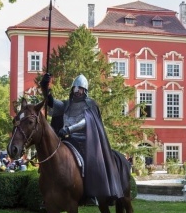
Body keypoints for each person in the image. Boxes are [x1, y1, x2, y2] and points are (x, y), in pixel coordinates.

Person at [40, 73, 124, 201]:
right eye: (76, 88)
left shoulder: (90, 104)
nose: (78, 91)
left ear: (85, 91)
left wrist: (69, 129)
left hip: (86, 141)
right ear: (72, 89)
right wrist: (45, 88)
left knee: (91, 162)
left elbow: (86, 121)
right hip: (68, 139)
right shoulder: (66, 104)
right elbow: (51, 102)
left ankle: (93, 192)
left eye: (81, 89)